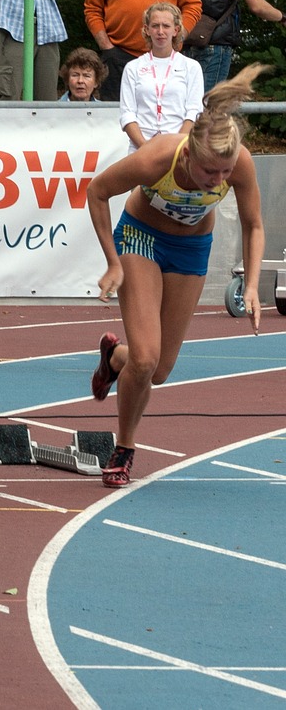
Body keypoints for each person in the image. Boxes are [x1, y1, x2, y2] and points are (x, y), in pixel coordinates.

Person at [87, 64, 267, 488]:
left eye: (224, 174)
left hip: (190, 249)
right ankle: (125, 447)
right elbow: (97, 192)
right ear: (189, 154)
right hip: (141, 236)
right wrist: (113, 261)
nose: (218, 181)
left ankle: (116, 358)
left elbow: (253, 224)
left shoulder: (237, 161)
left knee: (160, 369)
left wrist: (255, 283)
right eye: (210, 173)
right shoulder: (158, 156)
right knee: (146, 358)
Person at [119, 2, 204, 151]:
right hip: (140, 149)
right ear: (147, 30)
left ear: (176, 30)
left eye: (166, 26)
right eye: (155, 26)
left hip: (179, 148)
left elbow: (194, 112)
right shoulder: (133, 67)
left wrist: (176, 147)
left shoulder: (191, 67)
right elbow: (127, 115)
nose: (160, 31)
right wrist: (146, 149)